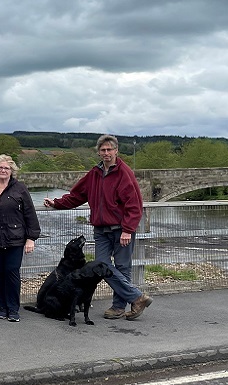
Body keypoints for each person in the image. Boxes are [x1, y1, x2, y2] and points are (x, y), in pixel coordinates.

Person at [43, 134, 153, 320]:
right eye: (103, 150)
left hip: (121, 229)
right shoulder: (94, 173)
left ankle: (118, 307)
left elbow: (134, 204)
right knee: (101, 265)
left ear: (116, 151)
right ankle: (137, 298)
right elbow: (77, 195)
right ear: (99, 152)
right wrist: (57, 203)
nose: (106, 153)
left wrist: (128, 229)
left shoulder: (124, 173)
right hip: (101, 229)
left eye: (109, 149)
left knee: (122, 267)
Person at [0, 154, 41, 323]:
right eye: (0, 167)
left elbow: (30, 214)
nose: (3, 170)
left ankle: (13, 308)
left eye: (7, 168)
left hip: (14, 239)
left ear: (12, 171)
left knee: (11, 272)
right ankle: (2, 307)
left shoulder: (20, 188)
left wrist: (31, 238)